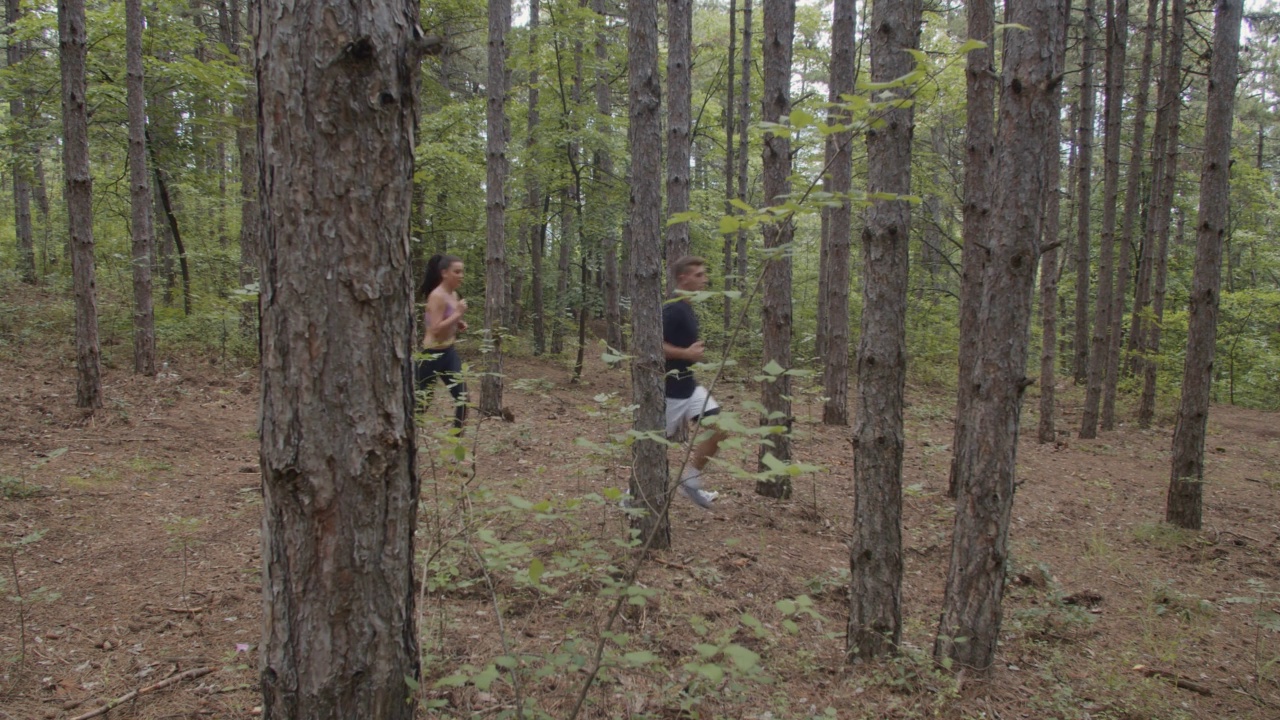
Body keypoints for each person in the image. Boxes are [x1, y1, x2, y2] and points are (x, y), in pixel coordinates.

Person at [663, 256, 728, 508]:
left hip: (690, 388)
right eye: (699, 275)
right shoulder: (673, 309)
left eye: (704, 274)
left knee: (719, 429)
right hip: (671, 392)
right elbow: (650, 344)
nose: (705, 279)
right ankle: (631, 496)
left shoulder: (687, 307)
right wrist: (686, 354)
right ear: (683, 278)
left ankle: (691, 481)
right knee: (653, 447)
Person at [416, 254, 469, 430]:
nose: (461, 275)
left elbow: (447, 318)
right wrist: (458, 314)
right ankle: (409, 441)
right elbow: (435, 329)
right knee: (421, 403)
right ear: (444, 273)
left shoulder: (452, 293)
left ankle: (457, 445)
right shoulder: (436, 296)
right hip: (431, 355)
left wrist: (458, 322)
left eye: (462, 271)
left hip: (449, 353)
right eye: (457, 271)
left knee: (463, 399)